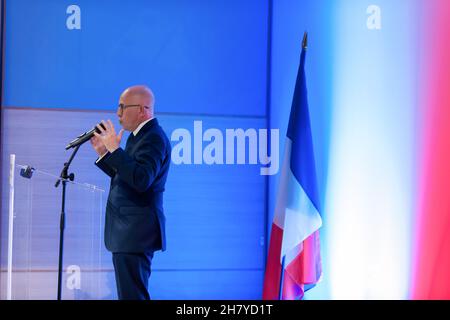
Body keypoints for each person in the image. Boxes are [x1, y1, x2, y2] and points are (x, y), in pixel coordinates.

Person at [90, 85, 171, 300]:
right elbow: (127, 178)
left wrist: (116, 151)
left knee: (133, 296)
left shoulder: (153, 138)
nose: (117, 113)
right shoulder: (139, 136)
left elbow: (142, 180)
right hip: (129, 232)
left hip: (136, 232)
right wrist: (105, 154)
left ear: (142, 110)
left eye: (122, 107)